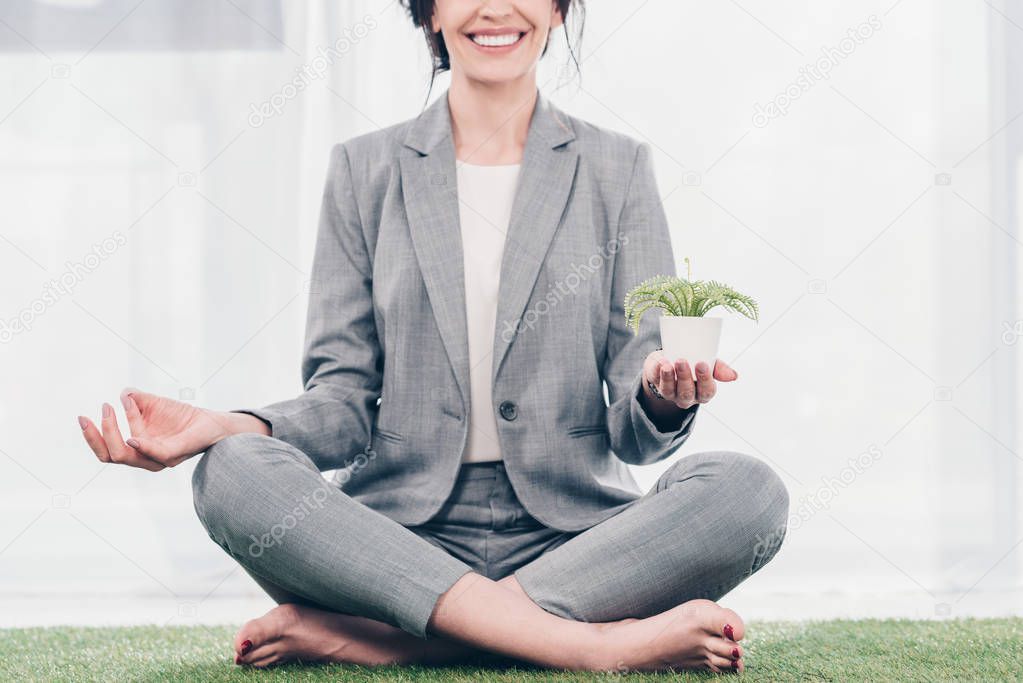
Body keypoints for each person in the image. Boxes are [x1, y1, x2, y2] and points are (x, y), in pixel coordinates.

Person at [78, 0, 789, 673]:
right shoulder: (364, 170)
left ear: (557, 8)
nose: (494, 9)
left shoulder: (617, 168)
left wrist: (662, 395)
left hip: (575, 539)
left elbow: (635, 432)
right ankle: (592, 646)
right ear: (429, 10)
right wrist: (225, 423)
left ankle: (395, 640)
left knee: (749, 490)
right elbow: (343, 400)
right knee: (229, 469)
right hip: (398, 540)